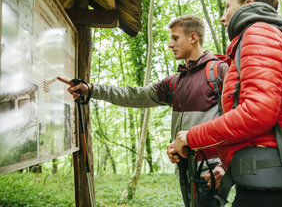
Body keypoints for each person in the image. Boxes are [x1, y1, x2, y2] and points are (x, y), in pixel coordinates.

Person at [58, 15, 229, 207]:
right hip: (185, 169)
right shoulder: (175, 82)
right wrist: (91, 89)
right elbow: (135, 95)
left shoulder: (219, 72)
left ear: (193, 37)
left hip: (211, 171)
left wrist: (225, 166)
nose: (170, 44)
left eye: (175, 38)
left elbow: (237, 121)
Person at [169, 0, 282, 207]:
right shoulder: (257, 37)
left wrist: (192, 136)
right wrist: (191, 146)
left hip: (270, 190)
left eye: (227, 6)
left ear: (247, 4)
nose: (223, 17)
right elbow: (251, 128)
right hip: (262, 182)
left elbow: (258, 112)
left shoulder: (259, 33)